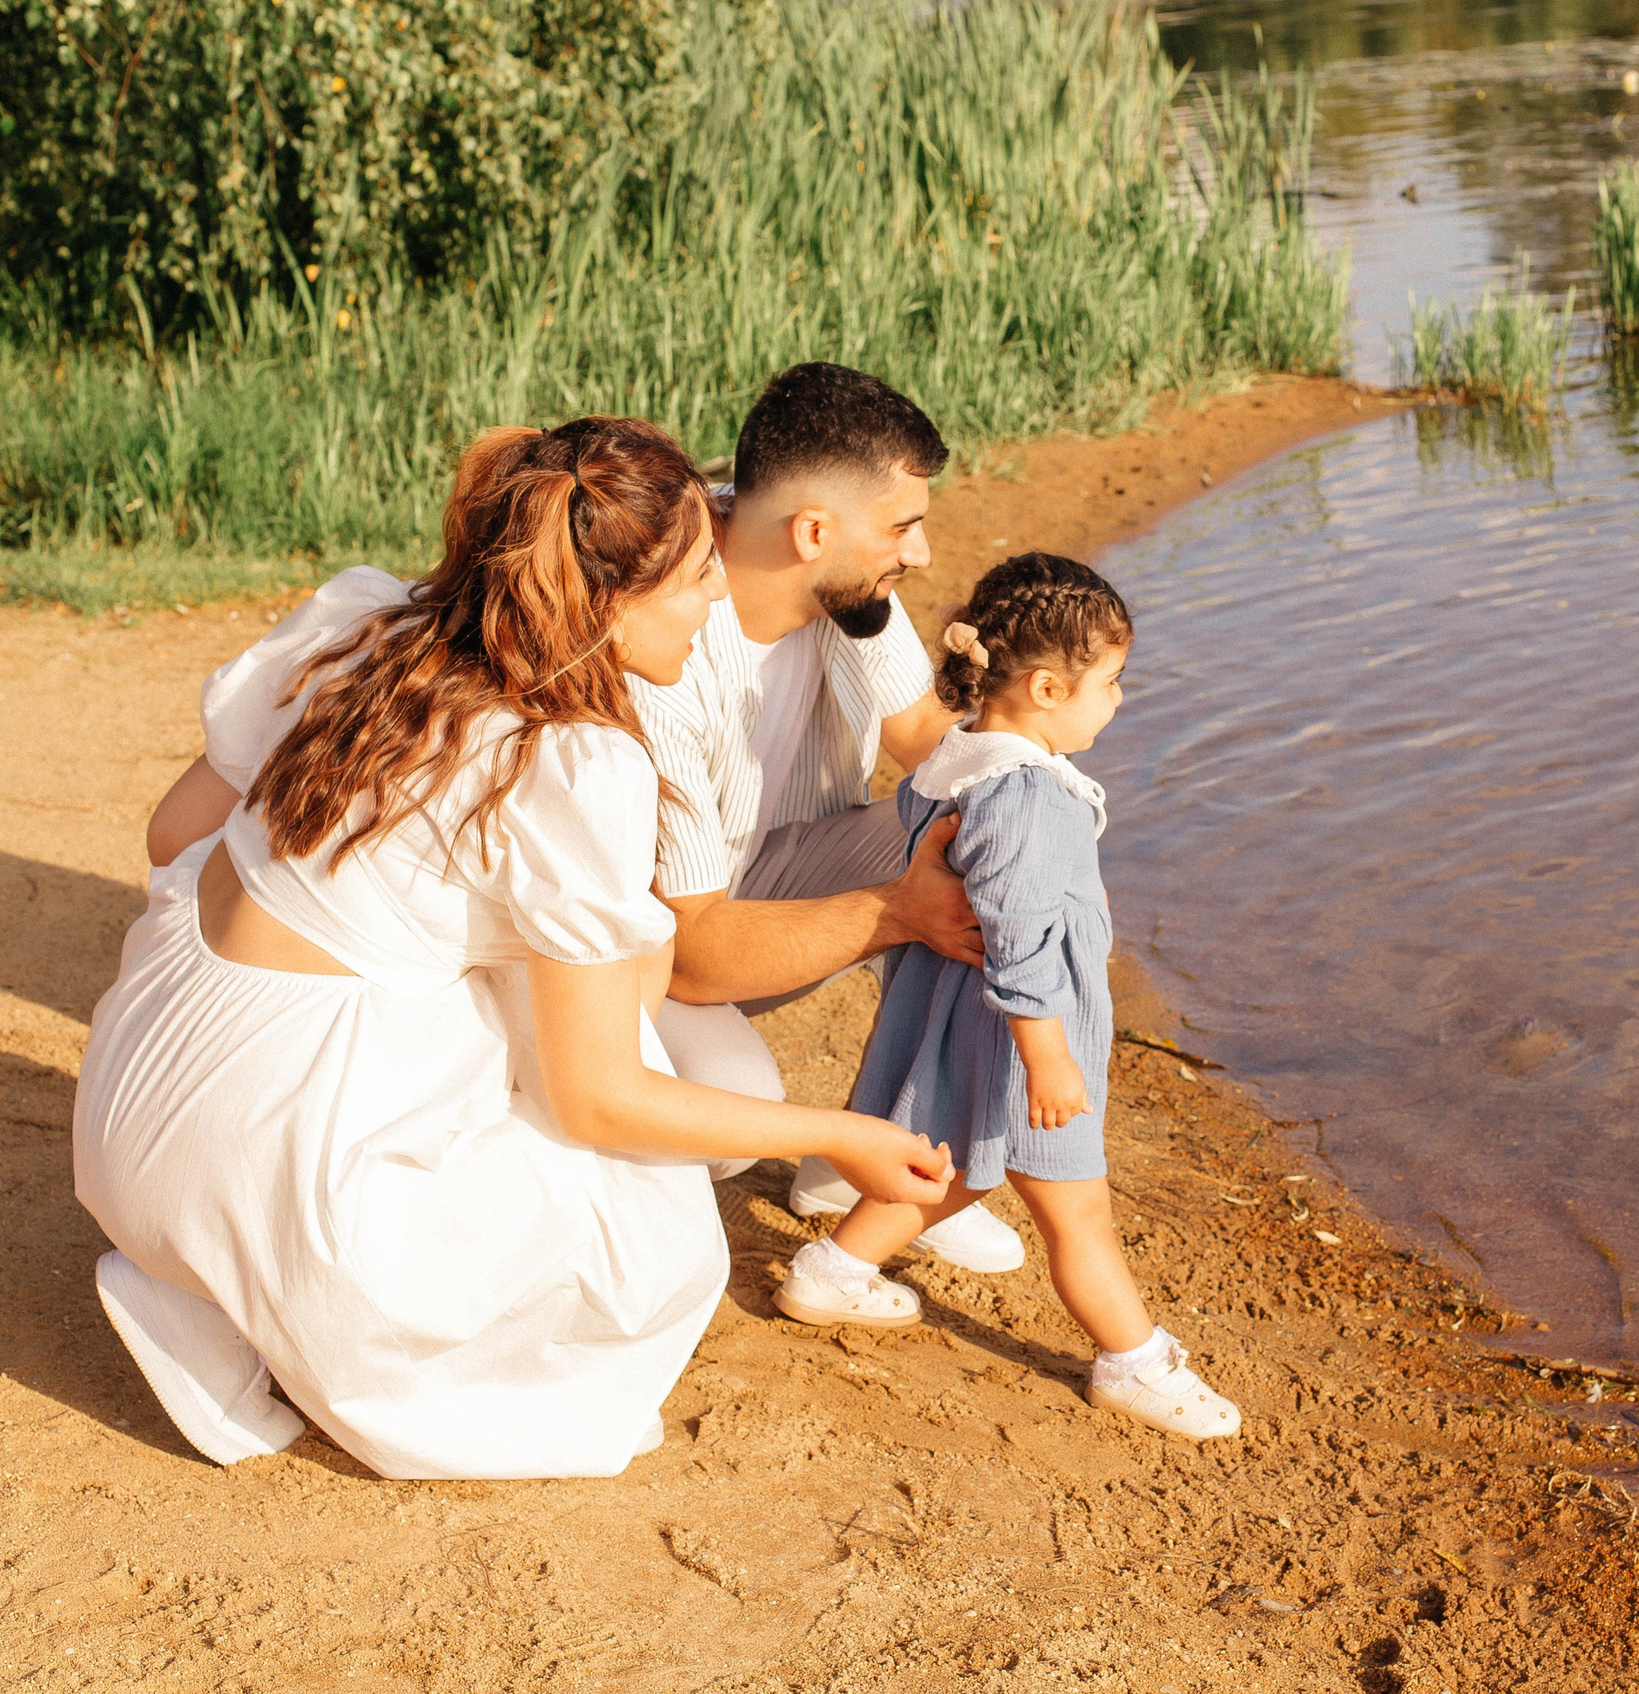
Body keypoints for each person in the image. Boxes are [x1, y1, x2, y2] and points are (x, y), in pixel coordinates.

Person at [81, 417, 954, 1479]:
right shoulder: (569, 763)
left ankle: (197, 1259)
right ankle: (251, 1305)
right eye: (690, 581)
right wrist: (841, 1133)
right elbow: (603, 1094)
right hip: (271, 1167)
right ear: (606, 605)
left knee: (468, 987)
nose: (716, 598)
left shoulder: (361, 625)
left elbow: (174, 837)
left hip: (139, 1090)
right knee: (651, 1220)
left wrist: (362, 895)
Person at [773, 554, 1241, 1442]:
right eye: (1111, 682)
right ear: (1045, 686)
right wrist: (1047, 1051)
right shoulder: (1026, 792)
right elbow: (1019, 931)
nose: (1118, 700)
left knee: (952, 1168)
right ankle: (1132, 1361)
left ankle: (832, 1271)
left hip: (963, 1012)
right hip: (1015, 1029)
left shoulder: (964, 756)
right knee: (1078, 1210)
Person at [640, 362, 1024, 1274]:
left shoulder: (835, 580)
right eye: (902, 527)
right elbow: (690, 957)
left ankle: (889, 1156)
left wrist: (1024, 725)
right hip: (646, 948)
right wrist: (897, 911)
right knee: (731, 1107)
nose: (922, 554)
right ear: (813, 530)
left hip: (752, 878)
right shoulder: (659, 631)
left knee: (990, 832)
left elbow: (926, 740)